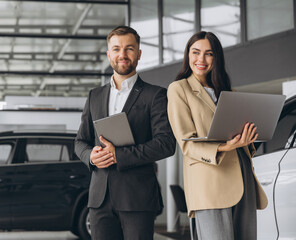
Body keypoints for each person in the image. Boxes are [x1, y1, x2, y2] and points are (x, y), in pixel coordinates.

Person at [75, 26, 176, 240]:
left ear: (138, 54)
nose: (122, 55)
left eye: (129, 49)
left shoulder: (155, 95)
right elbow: (80, 141)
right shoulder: (95, 96)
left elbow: (166, 143)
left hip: (137, 198)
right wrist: (90, 157)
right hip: (99, 199)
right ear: (108, 54)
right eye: (117, 49)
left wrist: (118, 155)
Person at [167, 31, 268, 240]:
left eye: (208, 54)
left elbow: (239, 138)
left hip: (242, 178)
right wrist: (225, 147)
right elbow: (187, 144)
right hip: (209, 182)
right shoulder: (179, 89)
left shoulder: (229, 92)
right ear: (188, 55)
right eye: (195, 52)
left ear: (216, 58)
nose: (201, 60)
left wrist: (247, 139)